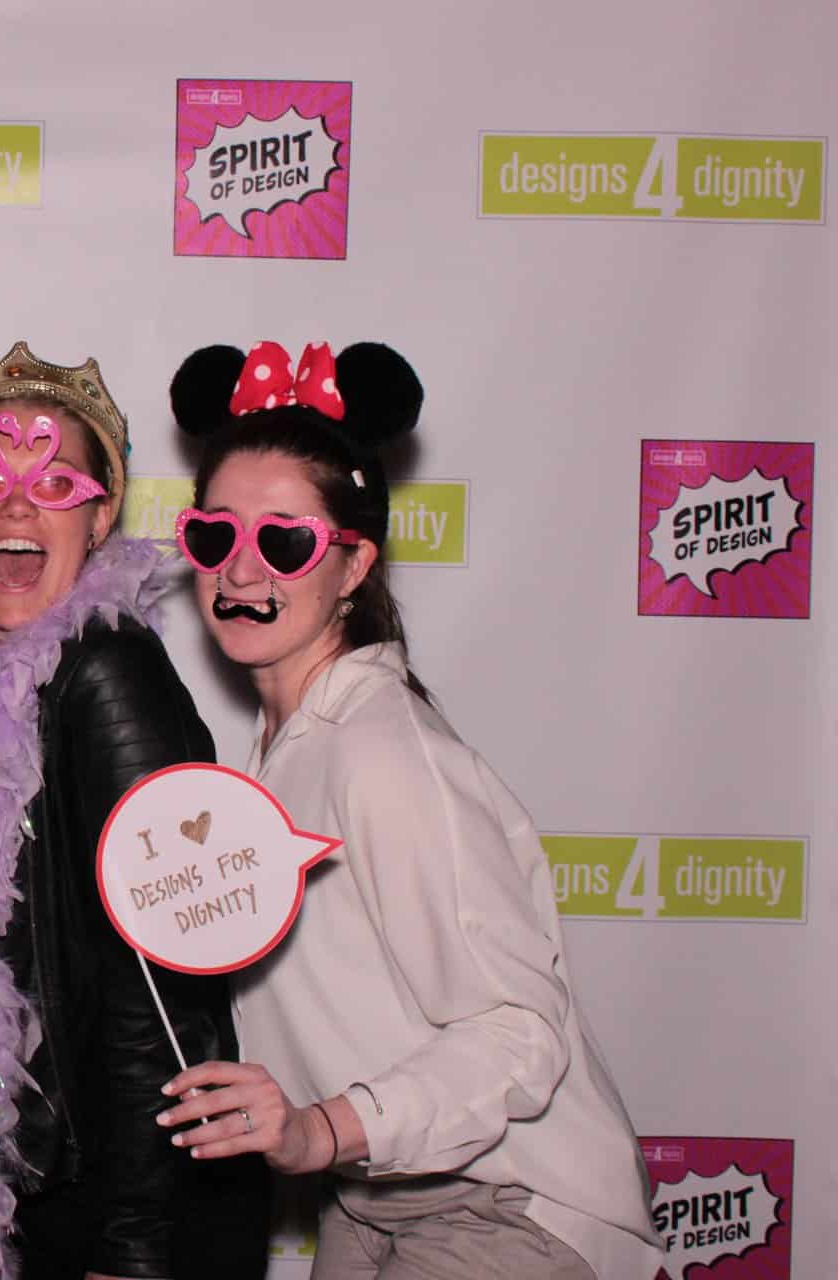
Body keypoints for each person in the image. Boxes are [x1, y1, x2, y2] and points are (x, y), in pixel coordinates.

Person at [153, 340, 662, 1278]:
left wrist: (317, 1131)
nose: (242, 571)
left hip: (508, 1204)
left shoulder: (378, 751)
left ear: (352, 566)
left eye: (286, 541)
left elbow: (518, 1031)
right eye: (216, 536)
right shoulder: (290, 744)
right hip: (376, 1195)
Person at [0, 344, 272, 1280]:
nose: (16, 508)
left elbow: (160, 989)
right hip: (20, 1180)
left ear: (99, 517)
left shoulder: (107, 675)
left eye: (55, 483)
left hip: (106, 1198)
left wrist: (133, 1249)